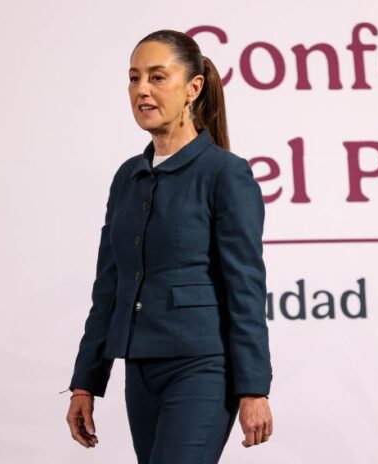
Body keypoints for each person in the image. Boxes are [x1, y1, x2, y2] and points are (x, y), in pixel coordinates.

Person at [62, 29, 274, 463]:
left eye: (158, 77)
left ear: (193, 88)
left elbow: (246, 288)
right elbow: (110, 286)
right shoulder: (128, 176)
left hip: (202, 368)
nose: (142, 90)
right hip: (139, 369)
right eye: (134, 78)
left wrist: (254, 388)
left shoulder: (224, 174)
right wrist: (85, 381)